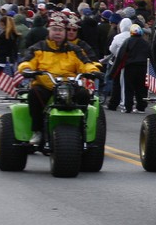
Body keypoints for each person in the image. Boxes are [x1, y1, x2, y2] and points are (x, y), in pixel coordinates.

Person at [16, 12, 100, 145]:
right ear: (49, 30)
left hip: (69, 85)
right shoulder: (38, 47)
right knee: (34, 94)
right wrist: (27, 69)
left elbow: (86, 63)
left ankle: (81, 127)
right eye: (54, 29)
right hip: (46, 85)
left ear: (65, 32)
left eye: (60, 30)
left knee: (84, 94)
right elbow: (27, 61)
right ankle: (37, 131)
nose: (57, 33)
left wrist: (93, 71)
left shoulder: (74, 49)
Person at [116, 23, 151, 113]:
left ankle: (128, 107)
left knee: (129, 88)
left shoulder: (128, 41)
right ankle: (141, 106)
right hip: (143, 67)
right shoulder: (146, 43)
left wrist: (115, 68)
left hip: (130, 67)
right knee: (141, 88)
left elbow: (121, 54)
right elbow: (151, 56)